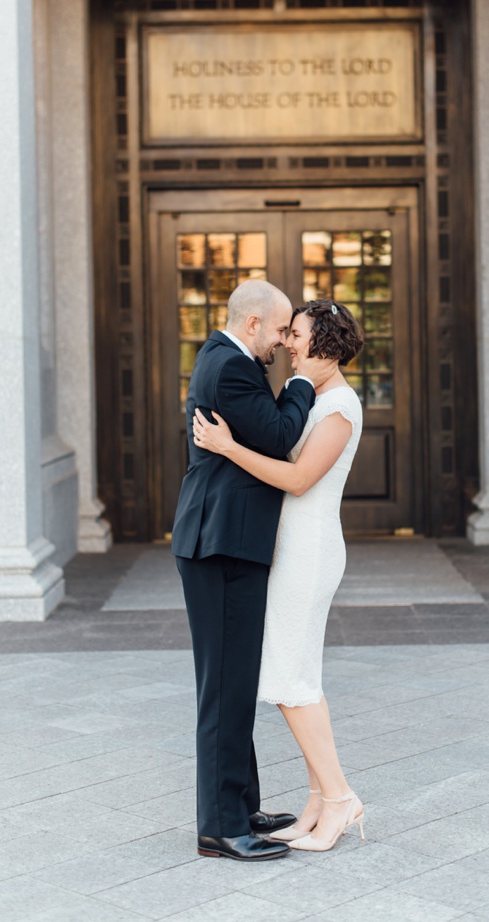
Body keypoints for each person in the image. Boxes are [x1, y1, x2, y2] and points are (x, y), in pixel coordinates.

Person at [192, 298, 366, 852]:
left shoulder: (339, 406)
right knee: (299, 675)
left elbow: (296, 479)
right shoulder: (314, 396)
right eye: (285, 331)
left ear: (323, 346)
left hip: (309, 553)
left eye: (298, 334)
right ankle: (318, 801)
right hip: (288, 550)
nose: (288, 341)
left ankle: (339, 798)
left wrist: (227, 446)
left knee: (292, 681)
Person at [171, 277, 319, 862]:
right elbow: (282, 434)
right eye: (282, 330)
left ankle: (242, 803)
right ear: (252, 323)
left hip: (222, 541)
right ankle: (220, 826)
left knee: (235, 683)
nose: (285, 343)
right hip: (220, 546)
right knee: (224, 689)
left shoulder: (222, 357)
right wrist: (305, 379)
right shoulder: (230, 368)